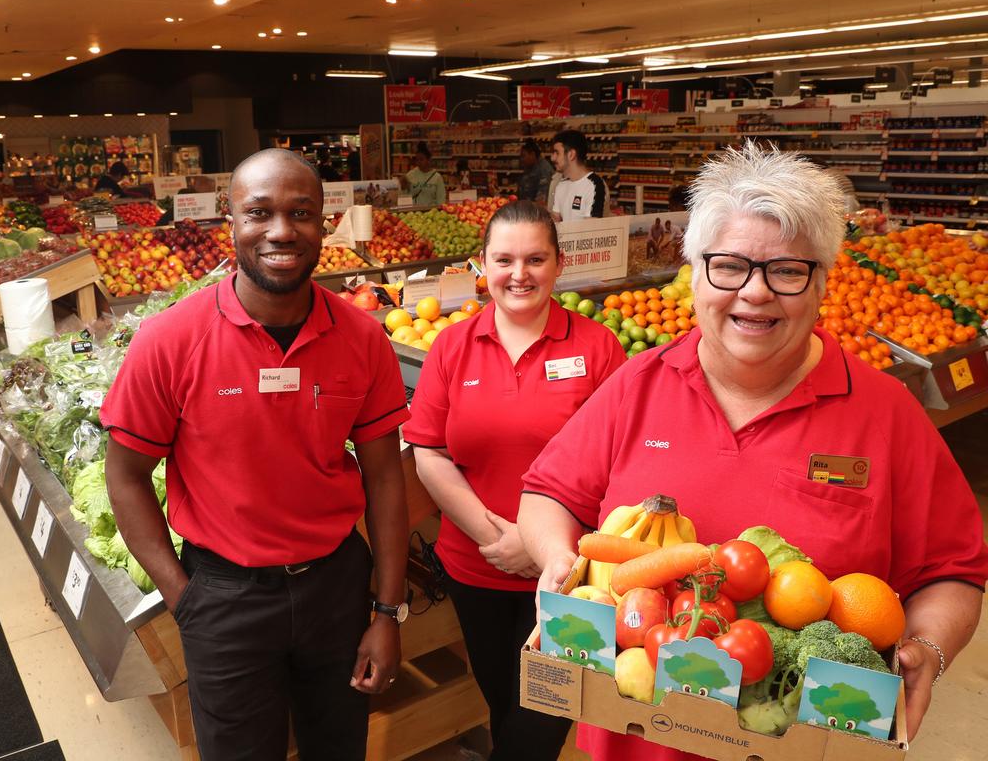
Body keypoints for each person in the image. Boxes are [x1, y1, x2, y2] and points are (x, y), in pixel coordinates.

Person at [517, 141, 988, 761]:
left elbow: (952, 570)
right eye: (730, 265)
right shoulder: (638, 383)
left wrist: (929, 646)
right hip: (639, 742)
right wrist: (557, 563)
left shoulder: (887, 413)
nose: (755, 292)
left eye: (787, 271)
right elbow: (548, 493)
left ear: (821, 283)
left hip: (810, 741)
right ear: (695, 273)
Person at [101, 148, 411, 761]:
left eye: (301, 212)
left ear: (326, 222)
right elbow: (127, 476)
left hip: (336, 590)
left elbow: (385, 478)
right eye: (258, 213)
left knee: (339, 747)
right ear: (230, 222)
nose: (280, 230)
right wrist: (182, 598)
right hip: (223, 596)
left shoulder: (363, 337)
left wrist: (386, 611)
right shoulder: (170, 339)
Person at [404, 200, 627, 760]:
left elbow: (618, 466)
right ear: (483, 265)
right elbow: (429, 452)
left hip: (570, 579)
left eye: (535, 258)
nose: (519, 274)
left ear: (558, 265)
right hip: (476, 566)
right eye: (504, 259)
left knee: (543, 717)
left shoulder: (598, 349)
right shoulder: (452, 346)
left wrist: (539, 545)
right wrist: (494, 537)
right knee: (501, 699)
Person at [549, 130, 607, 221]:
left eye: (557, 153)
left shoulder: (594, 184)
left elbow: (592, 228)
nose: (552, 158)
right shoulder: (561, 185)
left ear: (571, 155)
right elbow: (556, 219)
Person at [404, 142, 446, 207]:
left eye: (421, 159)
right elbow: (405, 195)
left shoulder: (437, 177)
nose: (418, 162)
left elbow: (441, 199)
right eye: (417, 160)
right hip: (415, 213)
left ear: (429, 160)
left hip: (432, 213)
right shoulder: (410, 175)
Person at [518, 139, 555, 204]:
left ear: (532, 154)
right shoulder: (530, 166)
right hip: (526, 207)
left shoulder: (543, 169)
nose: (521, 159)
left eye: (523, 156)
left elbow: (541, 199)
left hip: (535, 211)